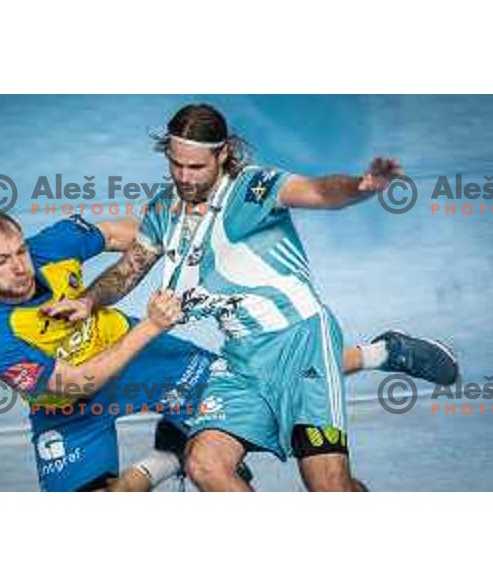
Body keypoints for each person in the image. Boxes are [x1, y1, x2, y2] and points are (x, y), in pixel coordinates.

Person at [45, 103, 459, 492]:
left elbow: (318, 191)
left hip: (302, 342)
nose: (184, 176)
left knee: (330, 486)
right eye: (176, 163)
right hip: (242, 358)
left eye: (196, 166)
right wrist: (88, 302)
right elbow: (128, 269)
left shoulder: (252, 189)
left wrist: (361, 186)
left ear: (223, 154)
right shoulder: (162, 210)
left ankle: (388, 352)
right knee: (204, 464)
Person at [0, 212, 208, 492]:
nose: (19, 267)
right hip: (68, 405)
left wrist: (184, 241)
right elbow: (76, 383)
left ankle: (185, 445)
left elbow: (117, 233)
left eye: (21, 251)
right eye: (1, 260)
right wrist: (152, 326)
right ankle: (169, 456)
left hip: (132, 355)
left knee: (241, 397)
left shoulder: (53, 246)